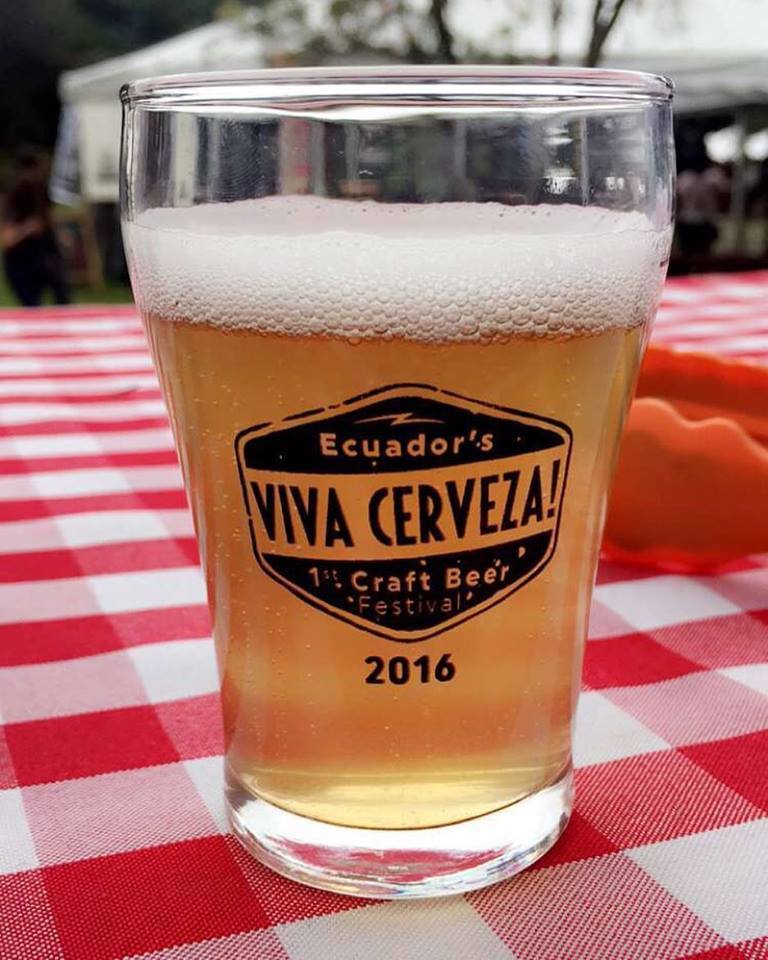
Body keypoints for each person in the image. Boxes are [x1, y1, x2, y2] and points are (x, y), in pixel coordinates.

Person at [1, 152, 70, 306]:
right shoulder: (16, 196)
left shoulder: (41, 191)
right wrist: (27, 228)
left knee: (61, 295)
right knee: (32, 304)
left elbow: (49, 217)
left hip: (43, 255)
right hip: (22, 261)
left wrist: (59, 236)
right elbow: (7, 239)